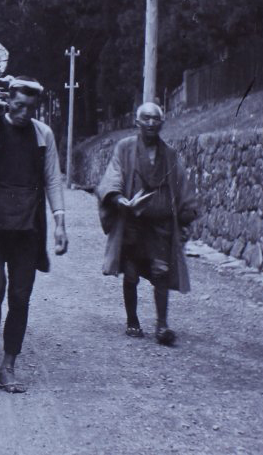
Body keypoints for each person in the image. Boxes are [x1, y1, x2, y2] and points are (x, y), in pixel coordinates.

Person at [0, 77, 68, 393]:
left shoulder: (43, 135)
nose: (24, 113)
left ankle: (8, 364)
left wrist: (60, 223)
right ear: (8, 100)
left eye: (30, 107)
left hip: (27, 225)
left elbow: (53, 179)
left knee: (20, 296)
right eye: (18, 105)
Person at [96, 102, 199, 345]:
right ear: (137, 122)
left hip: (160, 226)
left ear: (161, 123)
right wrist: (119, 199)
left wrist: (186, 213)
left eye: (156, 119)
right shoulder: (125, 148)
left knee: (161, 272)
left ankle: (162, 325)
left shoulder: (170, 155)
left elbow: (183, 187)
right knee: (131, 273)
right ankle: (132, 320)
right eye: (146, 118)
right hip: (134, 223)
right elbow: (113, 177)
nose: (151, 123)